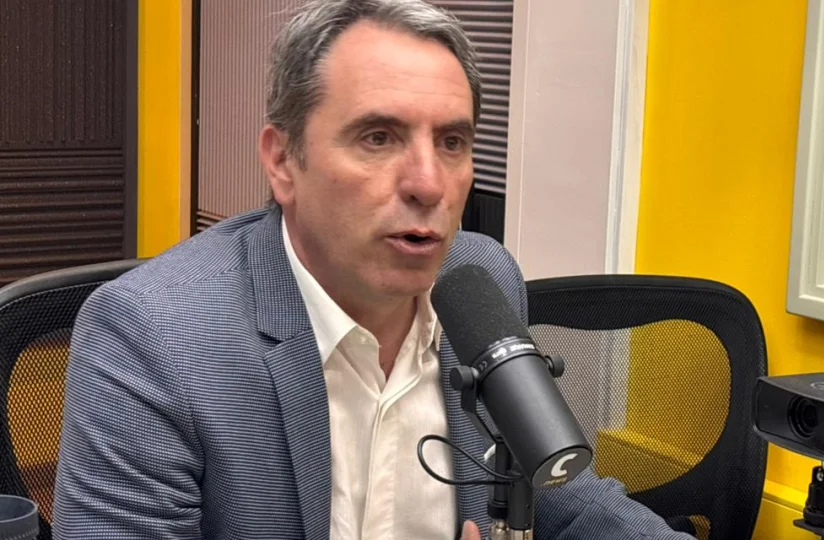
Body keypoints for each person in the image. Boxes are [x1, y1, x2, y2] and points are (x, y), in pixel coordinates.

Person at [53, 1, 696, 539]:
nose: (429, 184)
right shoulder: (152, 334)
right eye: (378, 137)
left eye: (452, 142)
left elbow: (566, 495)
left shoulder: (480, 280)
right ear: (282, 161)